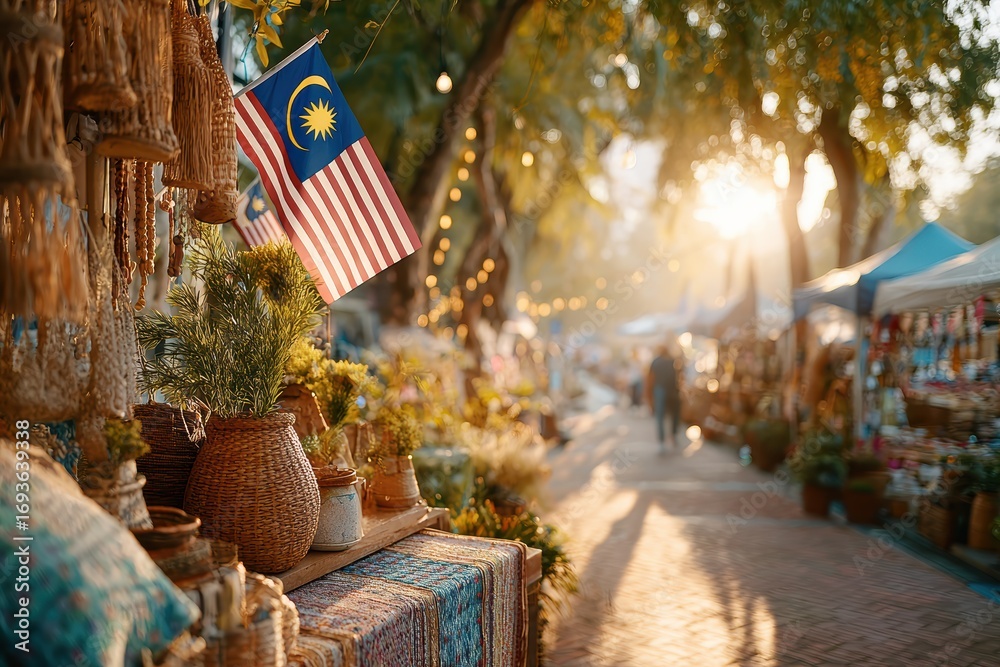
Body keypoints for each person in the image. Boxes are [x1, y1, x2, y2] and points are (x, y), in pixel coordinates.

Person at [646, 344, 681, 452]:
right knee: (673, 414)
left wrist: (649, 395)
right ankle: (672, 436)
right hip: (670, 390)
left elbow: (650, 379)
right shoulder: (672, 361)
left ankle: (663, 441)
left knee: (661, 416)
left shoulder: (658, 362)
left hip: (661, 390)